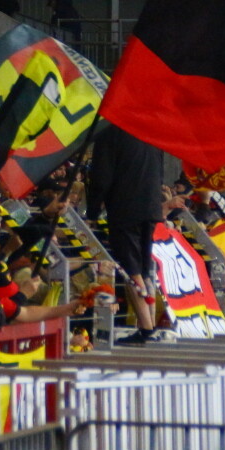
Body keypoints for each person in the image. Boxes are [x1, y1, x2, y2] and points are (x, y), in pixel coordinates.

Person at [87, 122, 164, 343]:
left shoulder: (111, 131)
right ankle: (148, 324)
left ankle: (147, 329)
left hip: (125, 207)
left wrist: (92, 211)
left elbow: (101, 175)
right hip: (150, 206)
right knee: (143, 266)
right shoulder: (150, 130)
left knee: (131, 268)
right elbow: (159, 171)